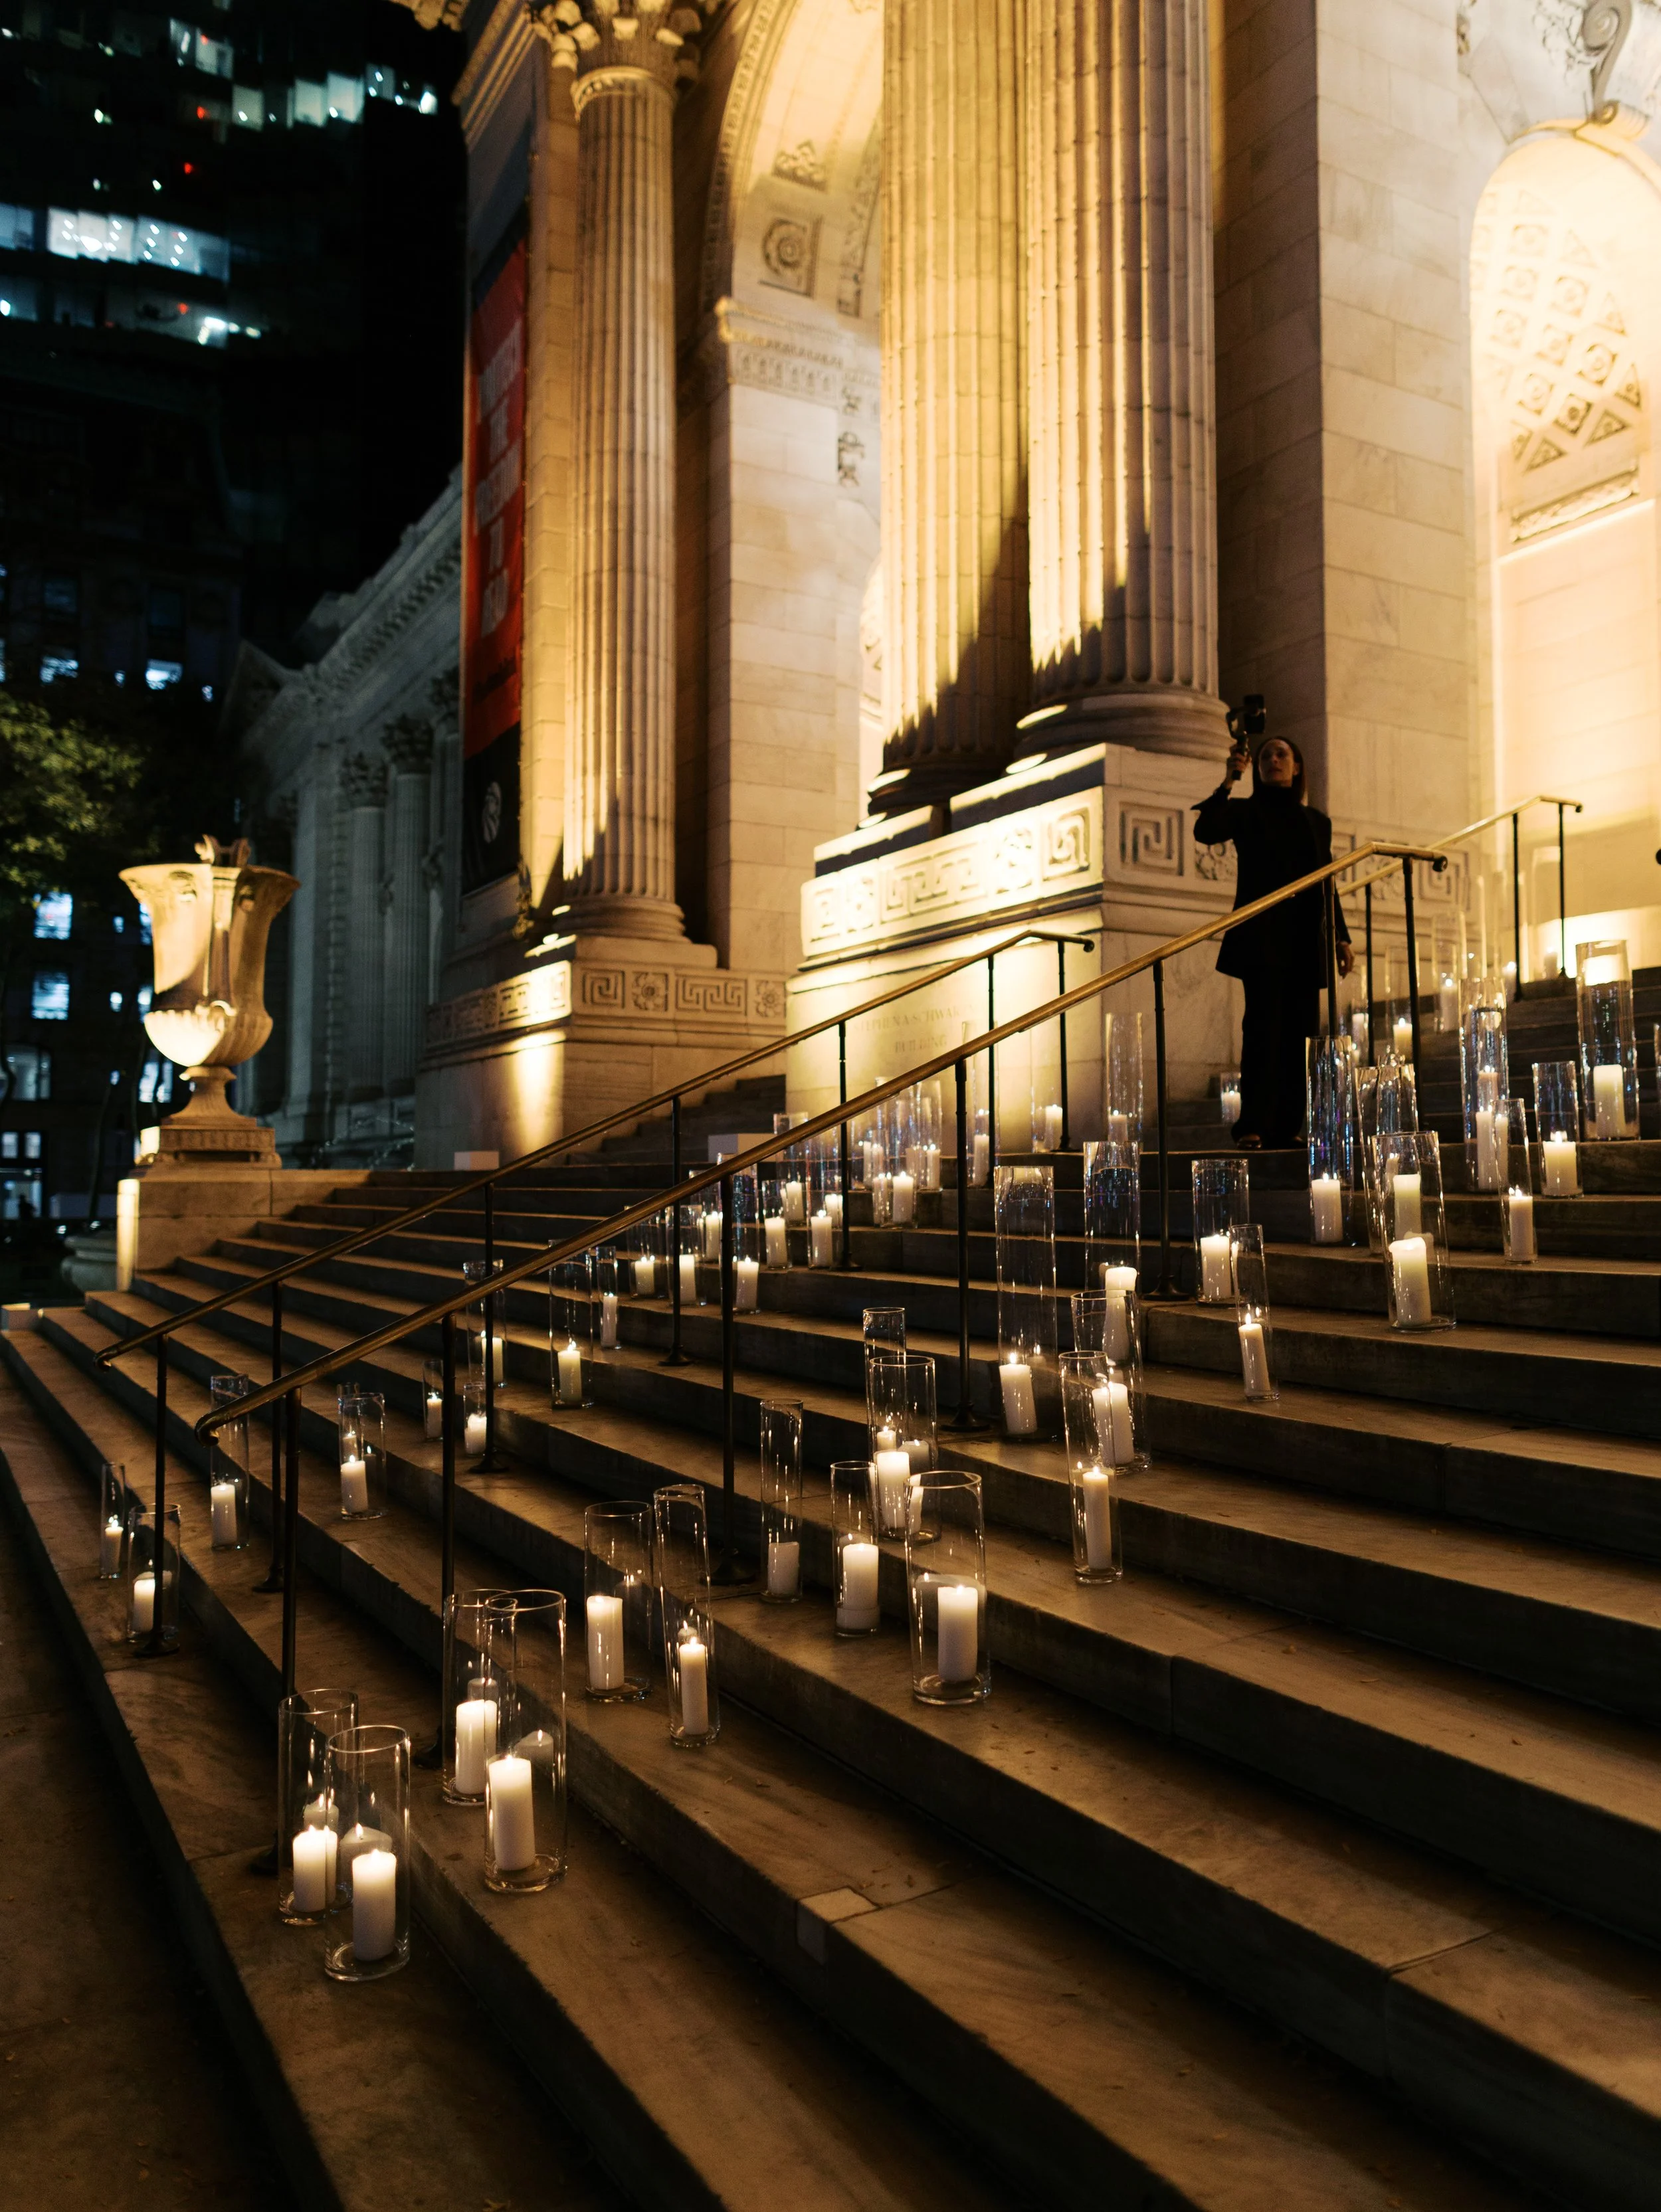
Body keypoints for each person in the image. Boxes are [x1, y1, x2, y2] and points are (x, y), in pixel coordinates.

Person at [1193, 734, 1353, 1149]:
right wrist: (1230, 780)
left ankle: (1287, 1127)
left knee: (1300, 1035)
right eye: (1266, 756)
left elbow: (1325, 880)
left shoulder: (1317, 822)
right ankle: (1252, 1125)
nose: (1273, 760)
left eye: (1282, 754)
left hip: (1304, 940)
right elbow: (1206, 828)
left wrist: (1342, 938)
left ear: (1297, 766)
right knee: (1262, 1033)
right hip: (1263, 939)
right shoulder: (1246, 811)